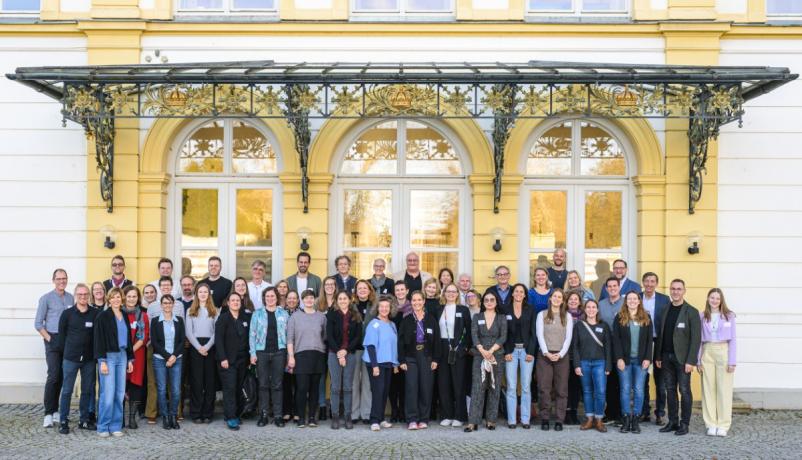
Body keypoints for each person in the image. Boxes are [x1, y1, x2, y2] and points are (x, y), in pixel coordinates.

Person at [655, 279, 701, 436]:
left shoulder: (691, 311)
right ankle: (673, 421)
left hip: (683, 359)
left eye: (679, 289)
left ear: (684, 291)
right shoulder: (665, 309)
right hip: (666, 357)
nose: (675, 291)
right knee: (670, 389)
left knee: (684, 390)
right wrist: (658, 356)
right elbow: (661, 334)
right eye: (673, 289)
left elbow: (696, 339)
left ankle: (684, 423)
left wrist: (691, 361)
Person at [56, 283, 99, 433]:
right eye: (80, 294)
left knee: (87, 390)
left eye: (85, 294)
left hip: (89, 359)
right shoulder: (67, 314)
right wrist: (66, 353)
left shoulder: (95, 313)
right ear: (75, 296)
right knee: (67, 390)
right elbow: (61, 336)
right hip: (70, 358)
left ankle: (84, 420)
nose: (83, 297)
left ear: (89, 296)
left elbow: (97, 336)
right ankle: (63, 420)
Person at [35, 268, 73, 428]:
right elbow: (38, 323)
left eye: (64, 278)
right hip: (52, 339)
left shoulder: (71, 298)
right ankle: (48, 413)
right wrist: (50, 339)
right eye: (59, 279)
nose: (62, 281)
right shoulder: (46, 299)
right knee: (53, 376)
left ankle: (57, 410)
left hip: (67, 340)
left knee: (63, 375)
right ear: (53, 280)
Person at [93, 287, 134, 437]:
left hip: (122, 356)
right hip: (108, 357)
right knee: (108, 394)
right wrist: (102, 361)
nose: (116, 299)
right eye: (113, 297)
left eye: (118, 297)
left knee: (119, 393)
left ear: (121, 299)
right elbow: (98, 339)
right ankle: (103, 426)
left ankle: (116, 425)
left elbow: (129, 339)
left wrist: (130, 359)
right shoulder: (102, 316)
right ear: (108, 299)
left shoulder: (124, 315)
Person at [464, 291, 507, 432]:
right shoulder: (477, 317)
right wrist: (482, 350)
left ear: (496, 302)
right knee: (478, 387)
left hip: (496, 356)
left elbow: (503, 337)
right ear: (483, 302)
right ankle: (473, 421)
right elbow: (474, 334)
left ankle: (491, 420)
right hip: (479, 355)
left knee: (494, 387)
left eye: (492, 300)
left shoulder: (501, 318)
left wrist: (491, 351)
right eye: (486, 300)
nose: (489, 302)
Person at [398, 291, 440, 430]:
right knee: (411, 387)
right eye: (414, 300)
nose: (417, 303)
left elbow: (437, 340)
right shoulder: (406, 320)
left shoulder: (431, 319)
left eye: (419, 300)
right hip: (410, 357)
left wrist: (435, 359)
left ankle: (423, 419)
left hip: (427, 356)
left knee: (425, 388)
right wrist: (402, 360)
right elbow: (400, 341)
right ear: (411, 302)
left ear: (423, 301)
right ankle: (412, 419)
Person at [612, 291, 653, 434]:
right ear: (626, 301)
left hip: (641, 360)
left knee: (639, 389)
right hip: (625, 361)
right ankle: (625, 418)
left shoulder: (646, 317)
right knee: (625, 389)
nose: (632, 301)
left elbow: (649, 340)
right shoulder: (619, 317)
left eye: (635, 299)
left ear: (639, 301)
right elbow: (616, 339)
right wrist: (619, 358)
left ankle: (635, 418)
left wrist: (648, 358)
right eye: (629, 299)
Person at [698, 288, 737, 437]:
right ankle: (711, 424)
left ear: (721, 301)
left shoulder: (729, 316)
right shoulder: (702, 316)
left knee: (724, 389)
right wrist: (698, 360)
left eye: (717, 298)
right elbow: (699, 340)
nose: (714, 300)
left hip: (723, 351)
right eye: (712, 297)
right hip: (707, 351)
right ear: (708, 299)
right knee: (708, 389)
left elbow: (733, 340)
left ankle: (723, 424)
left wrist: (732, 361)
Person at [250, 286, 290, 427]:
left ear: (277, 297)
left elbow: (288, 335)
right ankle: (264, 415)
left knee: (277, 385)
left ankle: (278, 415)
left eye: (272, 296)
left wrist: (289, 354)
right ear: (264, 298)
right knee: (263, 384)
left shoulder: (284, 313)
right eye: (267, 296)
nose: (270, 298)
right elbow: (252, 334)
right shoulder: (257, 314)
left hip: (279, 352)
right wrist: (252, 353)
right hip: (262, 352)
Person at [287, 289, 328, 428]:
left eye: (311, 298)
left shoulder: (321, 317)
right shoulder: (295, 317)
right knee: (302, 388)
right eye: (306, 298)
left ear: (314, 299)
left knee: (315, 389)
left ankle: (311, 417)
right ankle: (300, 417)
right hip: (300, 355)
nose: (309, 300)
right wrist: (291, 356)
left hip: (317, 355)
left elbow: (325, 337)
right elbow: (290, 339)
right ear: (302, 300)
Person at [535, 288, 573, 431]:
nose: (557, 299)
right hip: (544, 356)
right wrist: (546, 352)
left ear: (563, 301)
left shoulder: (567, 316)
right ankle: (545, 418)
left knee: (561, 389)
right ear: (550, 298)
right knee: (544, 388)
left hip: (561, 356)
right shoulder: (542, 315)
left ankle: (559, 420)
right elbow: (540, 335)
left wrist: (561, 354)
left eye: (560, 297)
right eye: (555, 296)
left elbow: (568, 337)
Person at [572, 299, 612, 433]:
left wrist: (608, 366)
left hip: (600, 363)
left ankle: (599, 419)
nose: (591, 309)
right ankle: (589, 419)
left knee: (600, 392)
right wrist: (577, 365)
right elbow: (575, 347)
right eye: (588, 307)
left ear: (597, 309)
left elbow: (608, 347)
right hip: (584, 363)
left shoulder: (604, 325)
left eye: (593, 307)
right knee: (587, 392)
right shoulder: (579, 326)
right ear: (584, 309)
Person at [436, 283, 472, 428]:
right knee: (444, 383)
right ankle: (447, 415)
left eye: (453, 291)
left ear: (457, 294)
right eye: (448, 291)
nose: (451, 294)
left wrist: (464, 348)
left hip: (458, 348)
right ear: (444, 293)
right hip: (442, 349)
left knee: (458, 383)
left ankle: (460, 416)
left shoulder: (463, 310)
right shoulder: (439, 309)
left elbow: (469, 331)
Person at [326, 291, 363, 430]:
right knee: (335, 387)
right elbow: (329, 336)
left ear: (349, 300)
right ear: (337, 300)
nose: (342, 301)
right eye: (340, 298)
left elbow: (358, 337)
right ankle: (335, 416)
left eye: (345, 298)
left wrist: (345, 351)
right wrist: (339, 353)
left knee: (348, 387)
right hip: (334, 354)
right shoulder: (332, 314)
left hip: (350, 354)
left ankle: (348, 416)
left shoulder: (356, 315)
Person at [362, 296, 399, 432]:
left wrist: (395, 364)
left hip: (388, 362)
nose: (384, 309)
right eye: (381, 306)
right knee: (378, 391)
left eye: (386, 306)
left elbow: (393, 346)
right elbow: (370, 345)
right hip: (376, 363)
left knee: (384, 391)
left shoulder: (392, 324)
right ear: (377, 308)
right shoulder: (374, 324)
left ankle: (381, 418)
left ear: (390, 308)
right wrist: (375, 365)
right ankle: (374, 420)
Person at [215, 292, 252, 430]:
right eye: (233, 300)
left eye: (238, 300)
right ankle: (230, 418)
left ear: (241, 303)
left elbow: (249, 338)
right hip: (227, 360)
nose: (236, 302)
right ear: (228, 303)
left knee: (238, 388)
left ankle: (235, 414)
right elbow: (218, 340)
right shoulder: (223, 318)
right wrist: (223, 358)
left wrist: (249, 357)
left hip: (242, 359)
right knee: (229, 388)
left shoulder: (245, 318)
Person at [503, 283, 536, 429]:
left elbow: (534, 333)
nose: (518, 294)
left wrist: (531, 352)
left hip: (526, 351)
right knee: (511, 386)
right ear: (512, 293)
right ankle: (512, 420)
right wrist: (506, 351)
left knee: (526, 386)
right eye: (516, 291)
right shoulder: (505, 309)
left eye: (521, 292)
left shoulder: (530, 309)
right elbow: (503, 332)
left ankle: (525, 419)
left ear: (524, 295)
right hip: (510, 351)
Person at [150, 294, 185, 430]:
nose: (167, 305)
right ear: (161, 305)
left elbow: (182, 340)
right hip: (160, 359)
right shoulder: (155, 321)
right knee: (162, 389)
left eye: (170, 303)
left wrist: (174, 356)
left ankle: (173, 416)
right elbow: (154, 342)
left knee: (176, 390)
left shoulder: (179, 320)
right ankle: (165, 416)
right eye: (165, 303)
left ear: (173, 304)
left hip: (177, 358)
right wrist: (167, 357)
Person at [185, 283, 217, 424]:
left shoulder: (215, 310)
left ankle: (208, 413)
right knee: (197, 381)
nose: (203, 294)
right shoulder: (190, 310)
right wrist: (199, 347)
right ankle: (196, 413)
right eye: (200, 292)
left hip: (210, 347)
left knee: (209, 382)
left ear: (209, 294)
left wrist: (207, 347)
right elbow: (188, 332)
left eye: (205, 292)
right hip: (195, 347)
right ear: (196, 294)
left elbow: (216, 332)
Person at [640, 271, 670, 425]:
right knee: (642, 379)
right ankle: (644, 412)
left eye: (652, 281)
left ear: (656, 283)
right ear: (643, 282)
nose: (649, 284)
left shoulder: (664, 300)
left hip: (659, 343)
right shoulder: (637, 297)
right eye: (647, 281)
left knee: (660, 382)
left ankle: (660, 413)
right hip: (641, 343)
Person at [598, 276, 624, 425]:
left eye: (615, 286)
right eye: (610, 286)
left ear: (619, 287)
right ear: (606, 289)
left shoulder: (625, 303)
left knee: (621, 382)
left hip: (622, 348)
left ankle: (620, 414)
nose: (612, 288)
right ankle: (610, 413)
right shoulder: (601, 305)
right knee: (609, 381)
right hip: (605, 348)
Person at [121, 285, 148, 428]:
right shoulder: (118, 314)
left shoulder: (143, 315)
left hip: (137, 354)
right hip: (120, 354)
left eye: (134, 296)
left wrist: (130, 351)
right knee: (121, 384)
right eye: (129, 296)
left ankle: (132, 417)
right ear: (124, 297)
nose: (131, 299)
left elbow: (143, 337)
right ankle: (120, 418)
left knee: (136, 385)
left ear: (138, 298)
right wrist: (125, 352)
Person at [351, 280, 375, 425]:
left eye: (365, 288)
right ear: (356, 291)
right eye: (359, 288)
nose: (362, 290)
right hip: (354, 349)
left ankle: (366, 413)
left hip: (369, 349)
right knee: (354, 382)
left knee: (367, 382)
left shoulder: (374, 306)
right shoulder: (351, 305)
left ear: (369, 290)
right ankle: (354, 413)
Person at [389, 280, 411, 423]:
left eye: (402, 289)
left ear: (407, 291)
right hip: (391, 348)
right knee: (392, 383)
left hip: (406, 349)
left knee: (404, 383)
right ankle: (394, 411)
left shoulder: (412, 307)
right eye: (397, 290)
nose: (400, 292)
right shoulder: (390, 309)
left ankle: (403, 410)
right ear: (394, 292)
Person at [564, 290, 584, 425]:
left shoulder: (584, 316)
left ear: (579, 302)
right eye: (570, 299)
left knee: (576, 386)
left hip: (579, 355)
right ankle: (566, 412)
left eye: (575, 299)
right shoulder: (563, 315)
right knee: (564, 385)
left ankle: (574, 412)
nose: (573, 301)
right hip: (565, 354)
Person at [282, 290, 300, 423]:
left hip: (298, 351)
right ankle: (287, 411)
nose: (292, 300)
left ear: (298, 300)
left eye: (294, 298)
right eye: (289, 298)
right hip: (283, 352)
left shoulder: (302, 314)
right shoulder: (280, 313)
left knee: (299, 383)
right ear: (286, 299)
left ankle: (297, 411)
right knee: (286, 383)